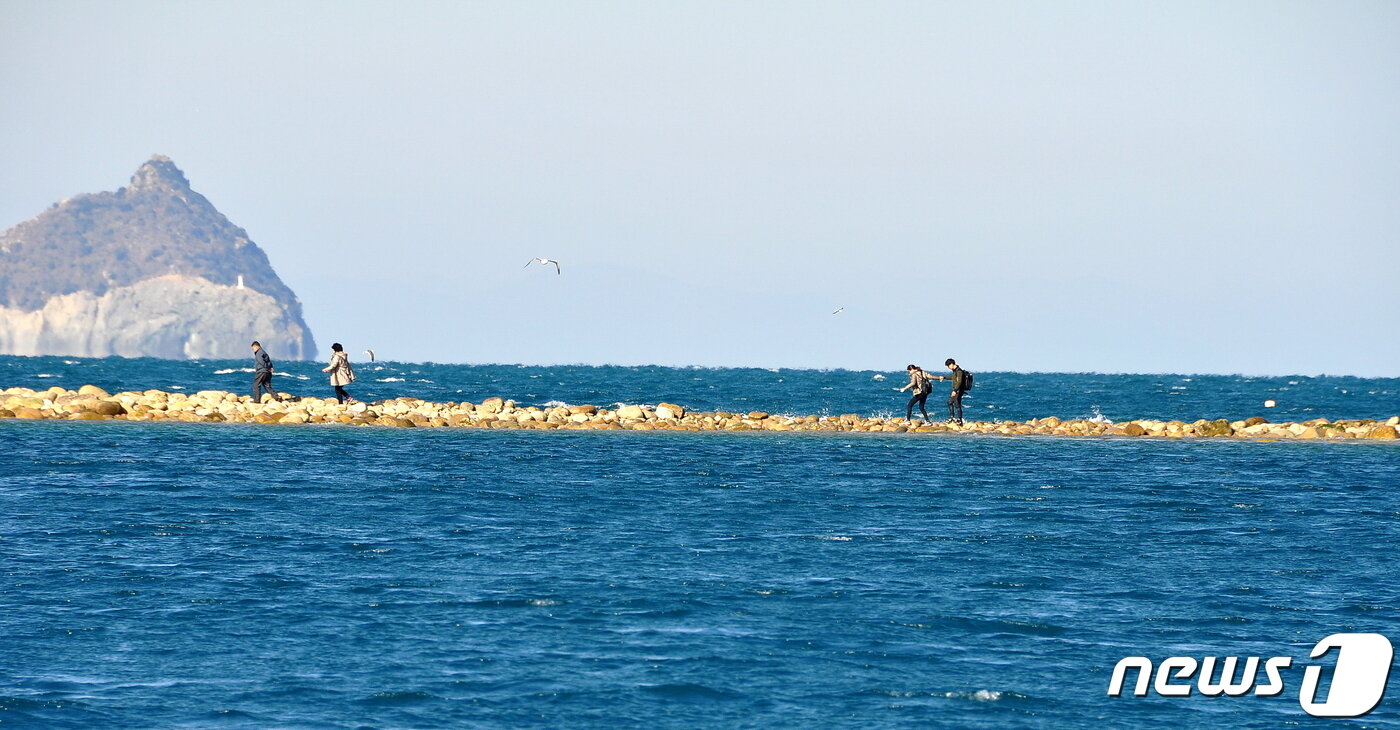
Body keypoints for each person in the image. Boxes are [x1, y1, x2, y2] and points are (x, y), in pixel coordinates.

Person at [931, 358, 970, 424]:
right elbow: (953, 377)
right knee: (951, 402)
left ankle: (959, 419)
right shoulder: (955, 371)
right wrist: (945, 377)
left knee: (956, 404)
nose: (948, 368)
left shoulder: (959, 371)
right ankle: (953, 417)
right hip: (957, 390)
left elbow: (959, 382)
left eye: (948, 366)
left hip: (958, 390)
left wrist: (955, 390)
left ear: (951, 364)